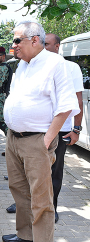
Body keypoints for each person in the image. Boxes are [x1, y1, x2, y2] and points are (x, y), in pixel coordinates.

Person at [2, 21, 79, 242]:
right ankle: (25, 236)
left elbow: (66, 105)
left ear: (35, 40)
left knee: (41, 199)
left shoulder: (55, 63)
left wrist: (46, 140)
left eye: (17, 40)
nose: (13, 46)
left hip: (37, 140)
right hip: (14, 138)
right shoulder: (23, 65)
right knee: (19, 190)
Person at [45, 33, 84, 223]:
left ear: (57, 46)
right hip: (37, 127)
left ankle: (51, 207)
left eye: (47, 44)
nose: (43, 47)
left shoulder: (71, 67)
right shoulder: (36, 65)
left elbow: (78, 100)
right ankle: (25, 204)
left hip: (60, 128)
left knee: (55, 169)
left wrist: (76, 129)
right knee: (29, 168)